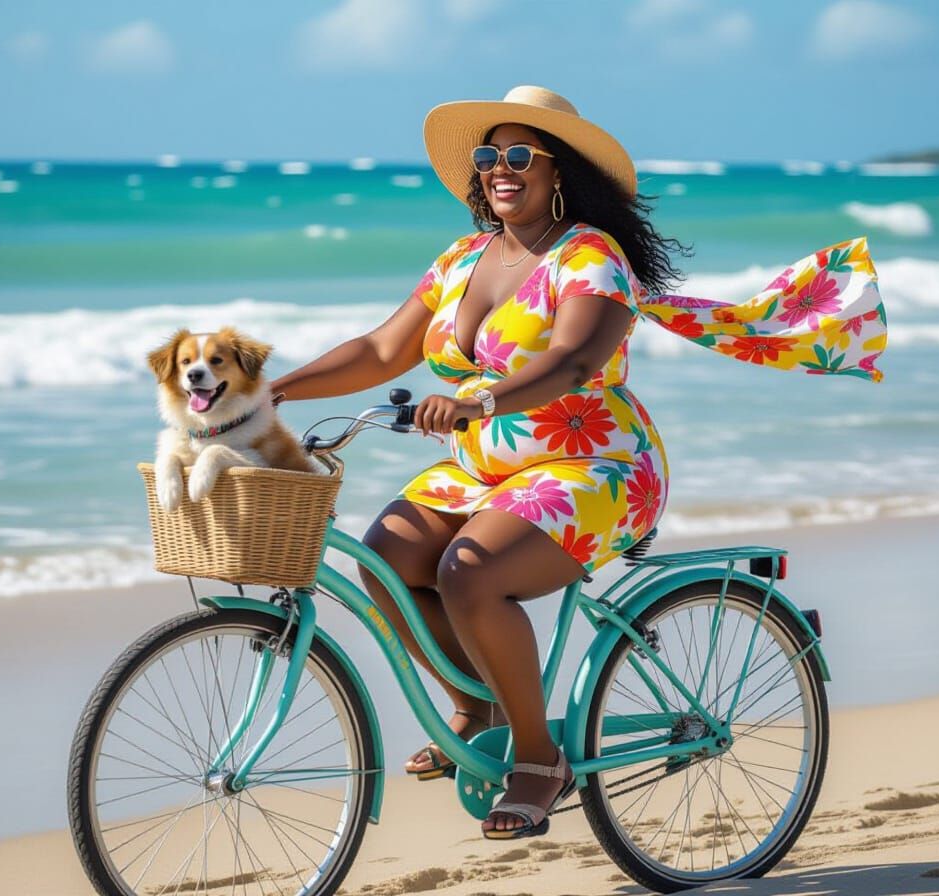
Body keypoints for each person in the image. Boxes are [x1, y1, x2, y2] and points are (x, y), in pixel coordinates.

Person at [268, 86, 886, 840]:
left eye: (519, 154)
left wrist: (480, 400)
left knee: (471, 572)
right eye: (489, 155)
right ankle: (477, 709)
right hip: (485, 468)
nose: (501, 168)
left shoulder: (592, 258)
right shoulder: (463, 259)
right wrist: (273, 392)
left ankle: (538, 757)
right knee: (386, 555)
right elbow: (379, 350)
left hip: (595, 467)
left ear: (558, 171)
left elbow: (573, 360)